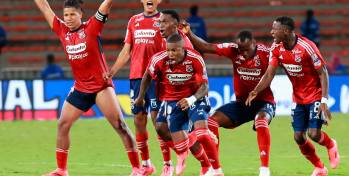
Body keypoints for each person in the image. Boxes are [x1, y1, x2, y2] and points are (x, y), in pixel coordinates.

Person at [17, 0, 142, 176]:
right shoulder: (61, 30)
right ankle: (61, 170)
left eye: (72, 15)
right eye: (65, 15)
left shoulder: (92, 27)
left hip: (101, 87)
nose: (68, 18)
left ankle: (139, 167)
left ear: (80, 15)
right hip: (80, 87)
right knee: (63, 124)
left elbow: (107, 2)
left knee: (120, 126)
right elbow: (45, 7)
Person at [246, 16, 340, 176]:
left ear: (286, 31)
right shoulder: (276, 48)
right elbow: (269, 74)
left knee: (314, 134)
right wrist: (256, 90)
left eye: (274, 29)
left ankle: (331, 145)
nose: (271, 32)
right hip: (298, 98)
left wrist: (324, 99)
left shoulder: (306, 47)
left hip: (315, 94)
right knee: (298, 137)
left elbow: (323, 72)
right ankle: (319, 167)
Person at [184, 28, 275, 176]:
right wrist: (189, 33)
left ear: (254, 43)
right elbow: (205, 47)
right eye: (241, 49)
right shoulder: (233, 50)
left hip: (264, 102)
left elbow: (276, 70)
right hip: (242, 104)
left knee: (261, 122)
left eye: (246, 49)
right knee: (211, 121)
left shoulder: (266, 52)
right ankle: (215, 168)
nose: (243, 53)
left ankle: (264, 169)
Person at [135, 33, 223, 176]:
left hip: (194, 98)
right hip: (171, 99)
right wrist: (140, 97)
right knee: (161, 128)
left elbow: (205, 87)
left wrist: (191, 99)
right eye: (168, 50)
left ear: (183, 48)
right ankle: (191, 151)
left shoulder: (195, 59)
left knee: (200, 133)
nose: (170, 53)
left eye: (174, 50)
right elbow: (146, 76)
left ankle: (216, 169)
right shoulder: (159, 59)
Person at [107, 0, 162, 175]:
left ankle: (169, 164)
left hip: (157, 77)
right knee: (139, 120)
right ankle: (146, 164)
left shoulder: (164, 20)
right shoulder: (133, 21)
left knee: (158, 121)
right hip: (136, 77)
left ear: (159, 0)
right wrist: (112, 70)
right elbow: (126, 51)